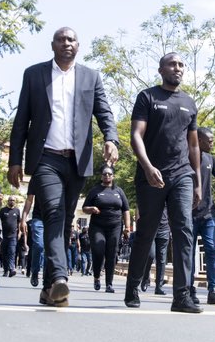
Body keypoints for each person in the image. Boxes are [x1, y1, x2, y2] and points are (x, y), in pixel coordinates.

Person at [9, 27, 119, 308]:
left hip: (77, 161)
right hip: (46, 158)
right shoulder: (34, 74)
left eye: (71, 40)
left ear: (78, 46)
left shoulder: (90, 77)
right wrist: (15, 161)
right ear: (52, 45)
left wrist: (111, 138)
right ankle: (60, 277)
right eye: (61, 39)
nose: (66, 43)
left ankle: (49, 290)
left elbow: (104, 111)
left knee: (64, 220)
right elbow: (21, 119)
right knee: (56, 214)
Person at [123, 52, 203, 313]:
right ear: (161, 70)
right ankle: (133, 285)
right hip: (151, 176)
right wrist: (147, 167)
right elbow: (136, 134)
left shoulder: (189, 103)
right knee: (146, 232)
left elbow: (193, 145)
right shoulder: (147, 97)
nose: (177, 68)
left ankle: (181, 295)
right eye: (172, 64)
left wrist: (198, 181)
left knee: (184, 229)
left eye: (181, 65)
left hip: (182, 174)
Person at [191, 127, 215, 304]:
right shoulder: (186, 156)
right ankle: (189, 290)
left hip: (208, 214)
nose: (212, 143)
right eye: (210, 140)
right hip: (189, 215)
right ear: (198, 139)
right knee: (188, 253)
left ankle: (213, 290)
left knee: (212, 251)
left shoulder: (210, 158)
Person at [82, 165, 132, 292]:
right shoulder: (95, 191)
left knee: (112, 254)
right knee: (98, 250)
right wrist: (91, 209)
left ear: (113, 176)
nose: (107, 176)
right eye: (104, 174)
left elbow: (126, 210)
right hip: (98, 226)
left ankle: (109, 284)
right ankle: (97, 277)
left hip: (115, 226)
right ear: (101, 176)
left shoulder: (119, 191)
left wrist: (127, 227)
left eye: (109, 174)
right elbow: (84, 208)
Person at [20, 181, 44, 288]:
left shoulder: (59, 173)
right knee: (39, 245)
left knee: (50, 249)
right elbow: (29, 200)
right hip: (38, 218)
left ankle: (48, 276)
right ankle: (35, 271)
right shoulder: (36, 177)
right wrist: (23, 219)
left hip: (53, 218)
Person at [141, 212, 171, 295]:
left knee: (161, 259)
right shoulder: (149, 198)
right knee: (151, 255)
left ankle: (159, 287)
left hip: (164, 229)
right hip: (150, 228)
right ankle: (146, 277)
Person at [0, 196, 22, 277]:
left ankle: (11, 269)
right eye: (10, 200)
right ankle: (5, 270)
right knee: (4, 253)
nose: (12, 201)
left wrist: (19, 232)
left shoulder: (17, 211)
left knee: (12, 252)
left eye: (13, 200)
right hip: (4, 236)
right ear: (7, 201)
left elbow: (19, 222)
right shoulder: (3, 210)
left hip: (13, 236)